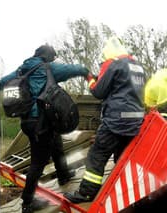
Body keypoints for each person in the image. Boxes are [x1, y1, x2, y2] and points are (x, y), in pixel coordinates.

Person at [0, 44, 89, 212]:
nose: (54, 60)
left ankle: (63, 175)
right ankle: (27, 203)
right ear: (48, 56)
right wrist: (86, 72)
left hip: (28, 120)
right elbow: (72, 69)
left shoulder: (21, 70)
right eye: (53, 57)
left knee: (56, 143)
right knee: (38, 163)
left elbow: (3, 83)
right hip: (40, 122)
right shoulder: (47, 67)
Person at [64, 36, 146, 203]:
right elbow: (123, 88)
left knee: (96, 155)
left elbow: (98, 91)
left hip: (116, 122)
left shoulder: (113, 63)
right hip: (135, 121)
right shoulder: (137, 66)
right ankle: (125, 190)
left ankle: (86, 193)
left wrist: (90, 79)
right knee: (122, 157)